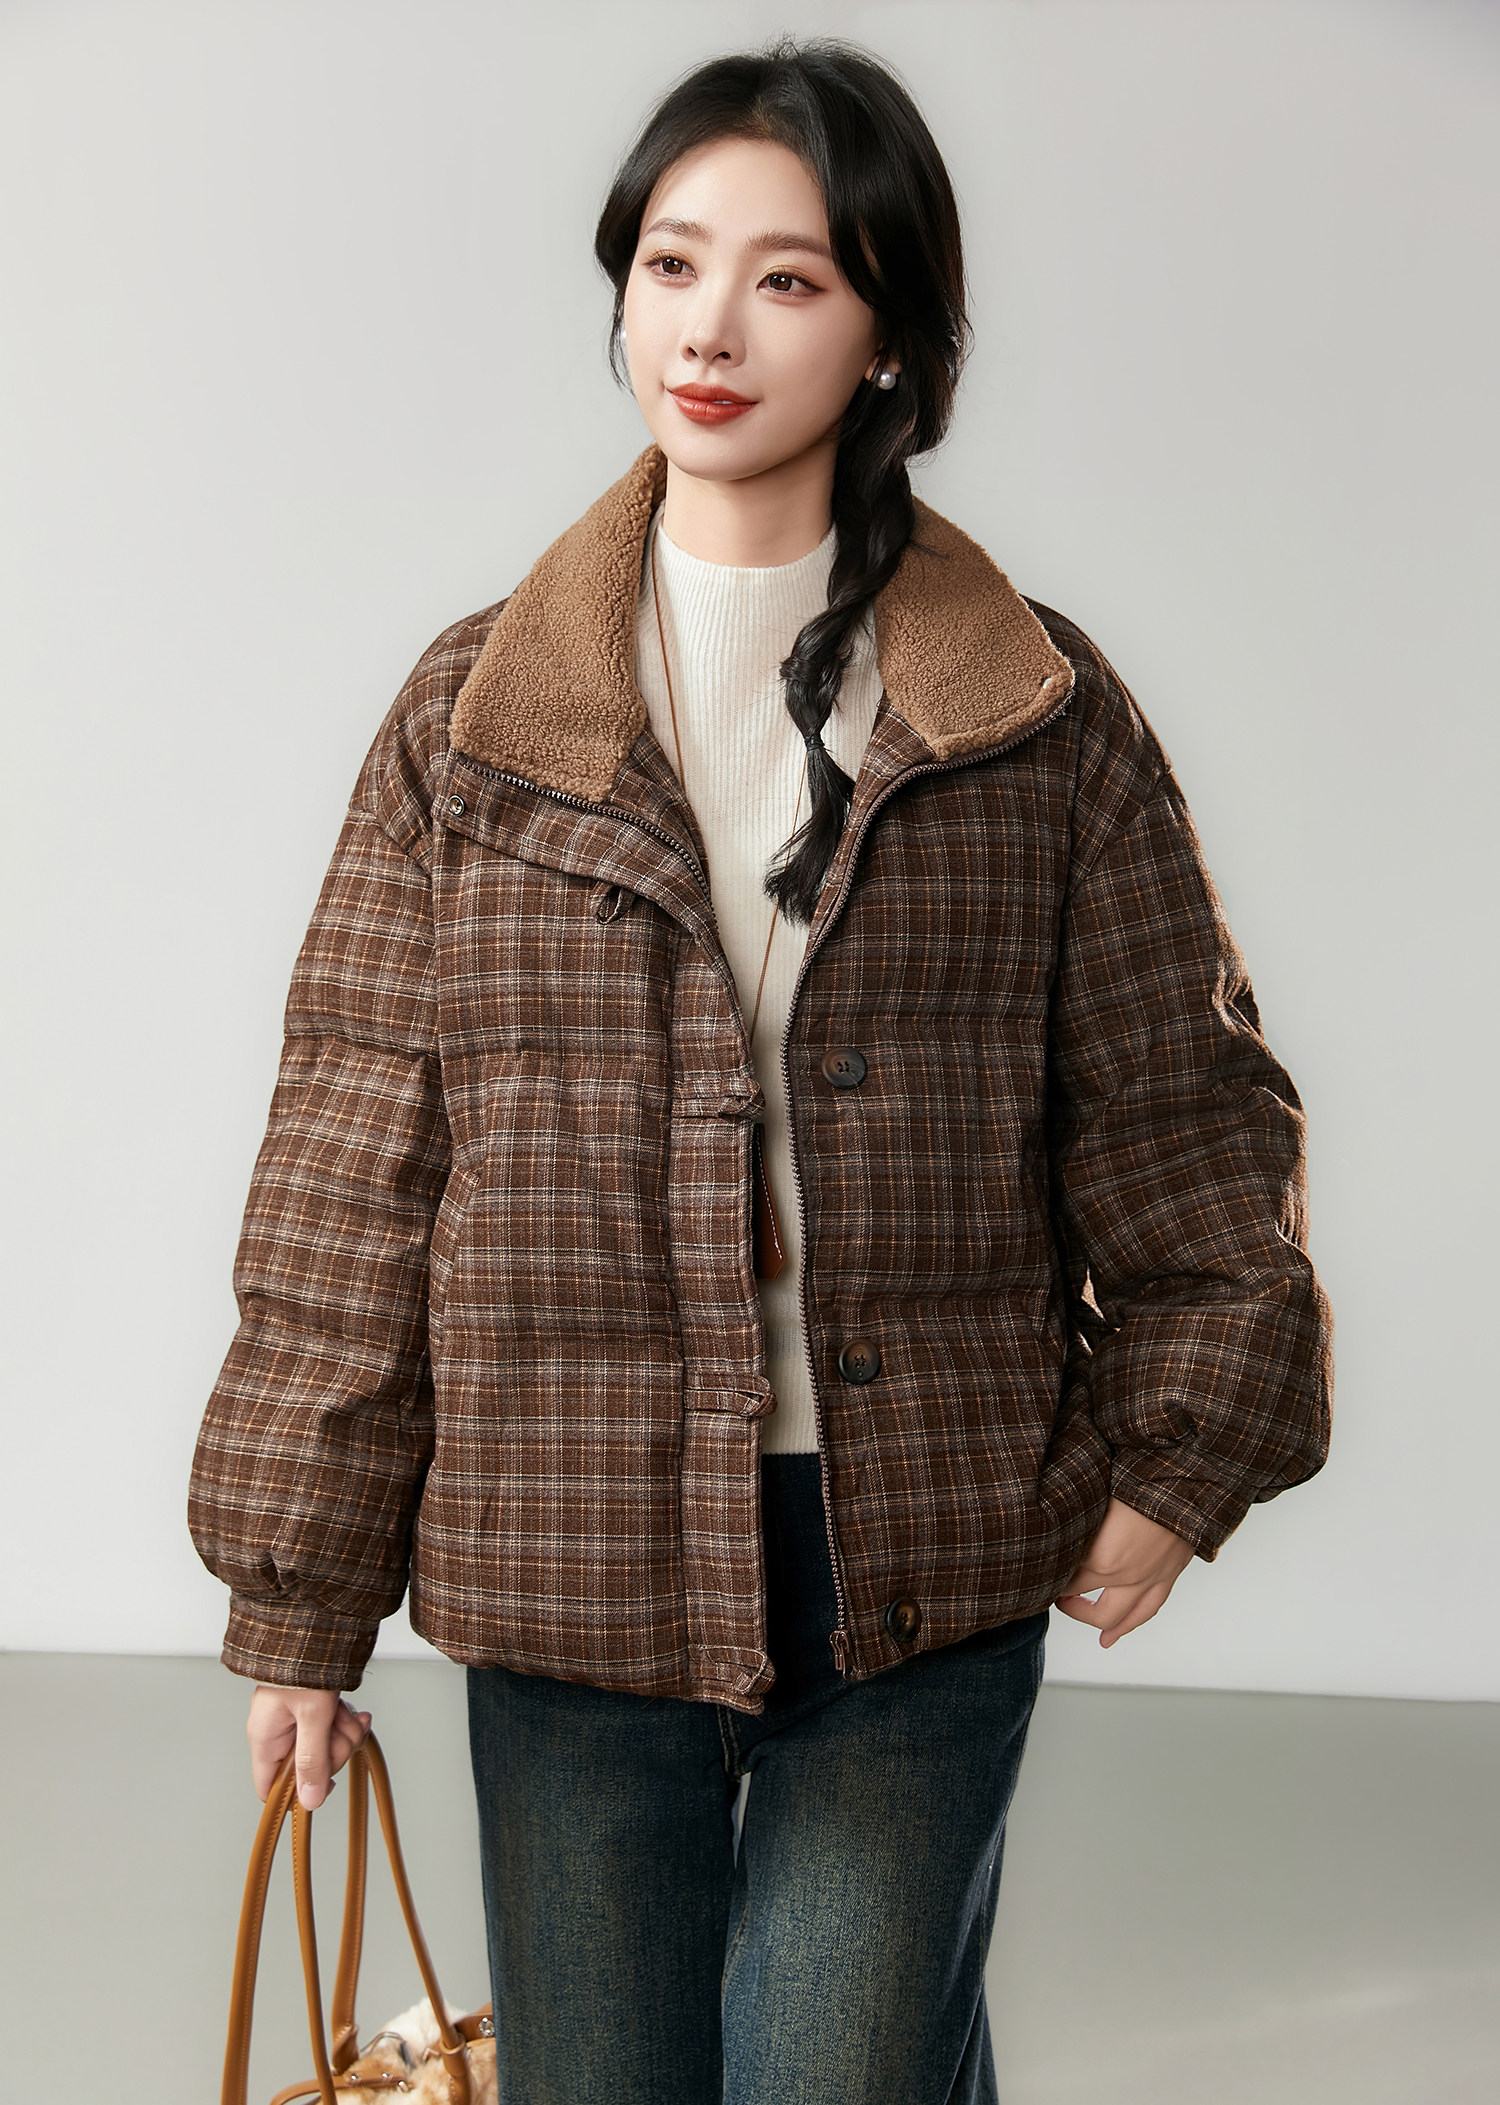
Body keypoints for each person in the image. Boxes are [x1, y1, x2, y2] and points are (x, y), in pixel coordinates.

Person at [188, 37, 1332, 2105]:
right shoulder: (471, 716)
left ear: (891, 335)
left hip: (923, 1545)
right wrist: (301, 1599)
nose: (709, 328)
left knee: (836, 2071)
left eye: (787, 279)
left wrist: (1184, 1453)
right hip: (568, 1549)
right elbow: (356, 1163)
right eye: (672, 265)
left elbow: (1184, 1105)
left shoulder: (1035, 713)